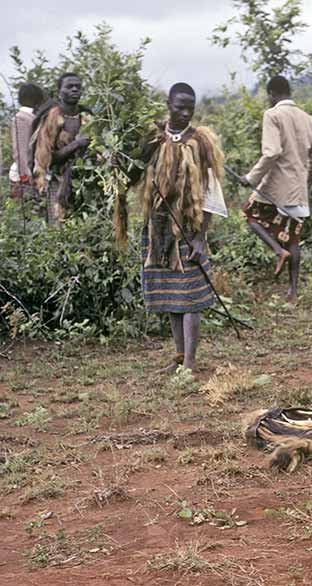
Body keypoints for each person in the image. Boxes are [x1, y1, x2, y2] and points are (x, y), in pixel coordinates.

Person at [130, 82, 228, 374]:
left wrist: (200, 238)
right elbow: (134, 173)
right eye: (179, 107)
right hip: (158, 228)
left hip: (187, 227)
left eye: (190, 108)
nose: (185, 113)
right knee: (171, 297)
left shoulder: (199, 142)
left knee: (189, 297)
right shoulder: (154, 138)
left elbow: (211, 190)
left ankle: (190, 364)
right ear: (168, 105)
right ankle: (179, 355)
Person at [239, 75, 312, 302]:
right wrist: (307, 182)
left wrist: (250, 177)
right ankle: (292, 291)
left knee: (249, 214)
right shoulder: (307, 118)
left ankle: (277, 250)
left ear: (272, 94)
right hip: (298, 189)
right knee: (294, 238)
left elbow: (272, 152)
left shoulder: (272, 115)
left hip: (275, 187)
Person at [32, 73, 90, 223]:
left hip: (85, 183)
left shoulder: (87, 116)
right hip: (58, 183)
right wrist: (76, 144)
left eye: (78, 87)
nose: (74, 89)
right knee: (59, 228)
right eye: (69, 87)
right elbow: (47, 159)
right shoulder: (51, 118)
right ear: (59, 92)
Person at [9, 82, 44, 200]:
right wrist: (25, 174)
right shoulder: (22, 118)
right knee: (26, 207)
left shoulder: (32, 116)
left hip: (33, 172)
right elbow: (20, 149)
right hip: (25, 175)